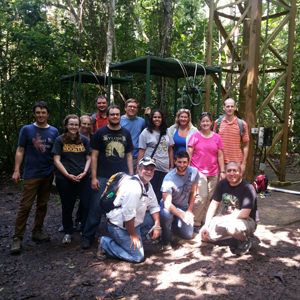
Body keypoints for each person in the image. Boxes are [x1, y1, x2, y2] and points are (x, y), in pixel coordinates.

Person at [81, 105, 134, 249]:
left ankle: (119, 236)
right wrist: (94, 177)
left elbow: (129, 155)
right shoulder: (100, 133)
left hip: (122, 177)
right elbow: (94, 155)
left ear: (120, 116)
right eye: (112, 114)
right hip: (103, 176)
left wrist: (132, 175)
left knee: (120, 206)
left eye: (117, 114)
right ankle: (87, 236)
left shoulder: (126, 133)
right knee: (97, 206)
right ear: (108, 116)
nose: (115, 117)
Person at [10, 101, 59, 254]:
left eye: (43, 112)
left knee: (42, 205)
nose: (41, 115)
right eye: (38, 112)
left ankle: (37, 231)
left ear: (48, 114)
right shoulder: (27, 129)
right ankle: (17, 237)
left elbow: (57, 153)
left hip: (48, 173)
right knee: (25, 206)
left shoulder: (54, 131)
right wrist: (17, 170)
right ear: (34, 113)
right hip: (31, 174)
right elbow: (20, 150)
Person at [97, 157, 161, 263]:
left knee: (153, 221)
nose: (149, 172)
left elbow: (154, 206)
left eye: (151, 169)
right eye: (146, 168)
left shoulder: (147, 185)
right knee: (138, 257)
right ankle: (105, 243)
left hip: (133, 223)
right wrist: (132, 234)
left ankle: (129, 242)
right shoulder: (134, 187)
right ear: (138, 169)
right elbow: (128, 215)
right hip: (119, 226)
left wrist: (157, 225)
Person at [200, 162, 259, 256]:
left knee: (231, 228)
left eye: (235, 171)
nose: (232, 173)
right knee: (205, 236)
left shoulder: (248, 188)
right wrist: (206, 225)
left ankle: (245, 241)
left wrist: (222, 219)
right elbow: (213, 204)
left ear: (241, 173)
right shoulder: (222, 183)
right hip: (226, 218)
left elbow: (245, 213)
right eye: (229, 171)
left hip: (246, 220)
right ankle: (233, 237)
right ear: (225, 173)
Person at [52, 115, 92, 243]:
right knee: (67, 206)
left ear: (79, 126)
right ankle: (68, 232)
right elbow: (56, 160)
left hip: (82, 177)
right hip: (65, 179)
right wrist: (67, 175)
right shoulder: (60, 140)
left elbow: (89, 157)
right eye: (71, 124)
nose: (74, 127)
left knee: (87, 204)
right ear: (66, 125)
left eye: (76, 124)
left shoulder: (84, 140)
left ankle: (84, 227)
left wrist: (85, 172)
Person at [188, 112, 225, 232]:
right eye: (203, 121)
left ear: (211, 123)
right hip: (198, 171)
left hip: (213, 172)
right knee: (201, 196)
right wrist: (188, 171)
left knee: (210, 197)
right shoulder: (195, 136)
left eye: (207, 121)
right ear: (200, 123)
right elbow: (189, 154)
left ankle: (205, 222)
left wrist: (223, 171)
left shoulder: (217, 137)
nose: (205, 123)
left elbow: (220, 155)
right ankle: (195, 222)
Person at [160, 150, 200, 250]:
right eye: (179, 162)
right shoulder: (169, 178)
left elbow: (193, 192)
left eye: (184, 162)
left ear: (188, 162)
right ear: (175, 162)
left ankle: (173, 225)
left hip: (183, 206)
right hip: (170, 206)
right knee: (166, 214)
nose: (182, 165)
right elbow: (167, 204)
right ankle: (166, 240)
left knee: (188, 235)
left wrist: (189, 210)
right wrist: (182, 215)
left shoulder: (194, 172)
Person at [137, 109, 174, 202]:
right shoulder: (146, 132)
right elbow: (141, 150)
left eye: (159, 117)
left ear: (162, 119)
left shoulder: (166, 132)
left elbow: (170, 149)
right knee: (149, 192)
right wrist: (139, 167)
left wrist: (172, 166)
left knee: (161, 193)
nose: (157, 119)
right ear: (151, 118)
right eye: (155, 117)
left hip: (164, 168)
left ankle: (160, 213)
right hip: (151, 167)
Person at [213, 98, 249, 173]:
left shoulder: (242, 124)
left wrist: (244, 163)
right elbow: (213, 143)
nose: (230, 108)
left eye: (232, 106)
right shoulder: (218, 123)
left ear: (235, 108)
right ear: (224, 108)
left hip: (236, 162)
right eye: (228, 106)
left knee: (235, 184)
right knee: (220, 184)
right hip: (220, 163)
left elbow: (246, 145)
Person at [120, 98, 145, 172]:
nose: (132, 108)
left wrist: (149, 115)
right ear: (125, 108)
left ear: (137, 109)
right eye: (130, 106)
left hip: (135, 156)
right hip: (122, 156)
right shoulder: (119, 120)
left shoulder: (141, 121)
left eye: (134, 107)